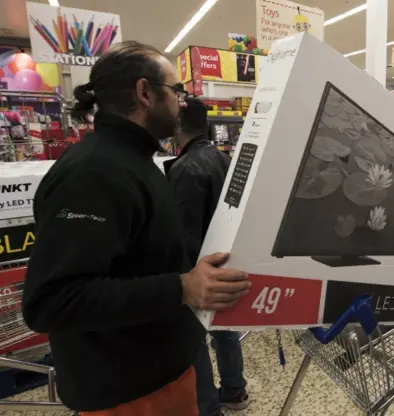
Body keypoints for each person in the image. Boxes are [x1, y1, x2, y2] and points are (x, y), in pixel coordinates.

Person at [22, 41, 251, 416]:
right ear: (144, 92)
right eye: (176, 91)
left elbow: (136, 258)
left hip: (157, 373)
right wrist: (182, 286)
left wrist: (192, 268)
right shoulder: (93, 173)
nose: (181, 102)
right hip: (129, 392)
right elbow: (52, 300)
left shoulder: (135, 160)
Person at [165, 98, 248, 416]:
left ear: (177, 125)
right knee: (224, 330)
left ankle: (208, 407)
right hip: (224, 260)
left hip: (198, 266)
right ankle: (234, 389)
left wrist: (181, 277)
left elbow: (183, 231)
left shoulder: (185, 168)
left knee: (194, 340)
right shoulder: (223, 159)